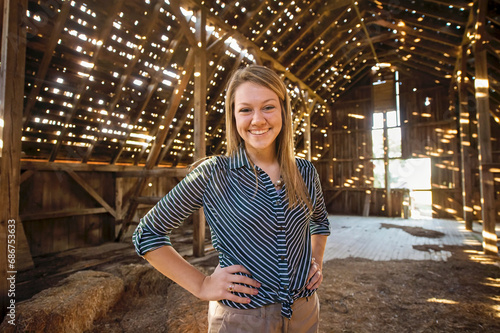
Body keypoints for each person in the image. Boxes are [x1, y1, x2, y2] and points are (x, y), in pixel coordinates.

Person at [132, 65, 330, 332]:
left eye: (268, 107)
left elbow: (319, 222)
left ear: (283, 111)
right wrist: (202, 285)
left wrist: (314, 261)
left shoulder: (305, 172)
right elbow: (147, 234)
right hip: (242, 319)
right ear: (234, 116)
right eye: (246, 109)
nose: (258, 119)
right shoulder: (214, 173)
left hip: (304, 313)